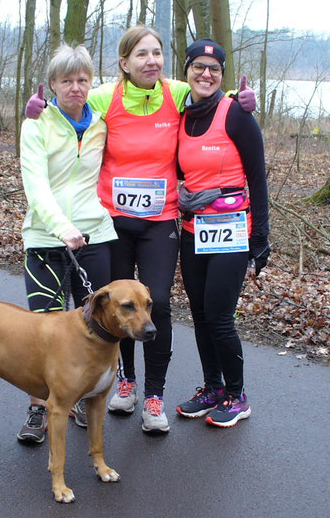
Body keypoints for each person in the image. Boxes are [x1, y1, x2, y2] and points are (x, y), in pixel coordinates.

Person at [26, 26, 256, 434]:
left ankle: (154, 396)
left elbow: (211, 93)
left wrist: (239, 102)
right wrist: (43, 104)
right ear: (124, 63)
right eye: (141, 55)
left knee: (158, 304)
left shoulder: (177, 92)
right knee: (119, 306)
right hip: (113, 222)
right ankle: (125, 382)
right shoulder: (104, 97)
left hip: (161, 221)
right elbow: (69, 103)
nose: (151, 61)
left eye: (157, 53)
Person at [16, 44, 117, 443]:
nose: (75, 88)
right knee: (45, 330)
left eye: (82, 80)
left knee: (93, 325)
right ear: (52, 84)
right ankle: (39, 407)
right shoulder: (36, 123)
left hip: (95, 234)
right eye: (65, 80)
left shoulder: (103, 120)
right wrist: (61, 228)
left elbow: (153, 88)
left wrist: (229, 97)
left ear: (92, 83)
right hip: (45, 237)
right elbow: (35, 186)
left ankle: (79, 397)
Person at [175, 38, 270, 428]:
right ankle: (213, 387)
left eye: (214, 69)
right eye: (199, 66)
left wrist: (261, 237)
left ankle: (237, 394)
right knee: (199, 314)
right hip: (191, 228)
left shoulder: (236, 113)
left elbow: (257, 177)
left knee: (218, 316)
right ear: (187, 71)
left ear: (223, 76)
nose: (206, 74)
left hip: (232, 230)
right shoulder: (181, 114)